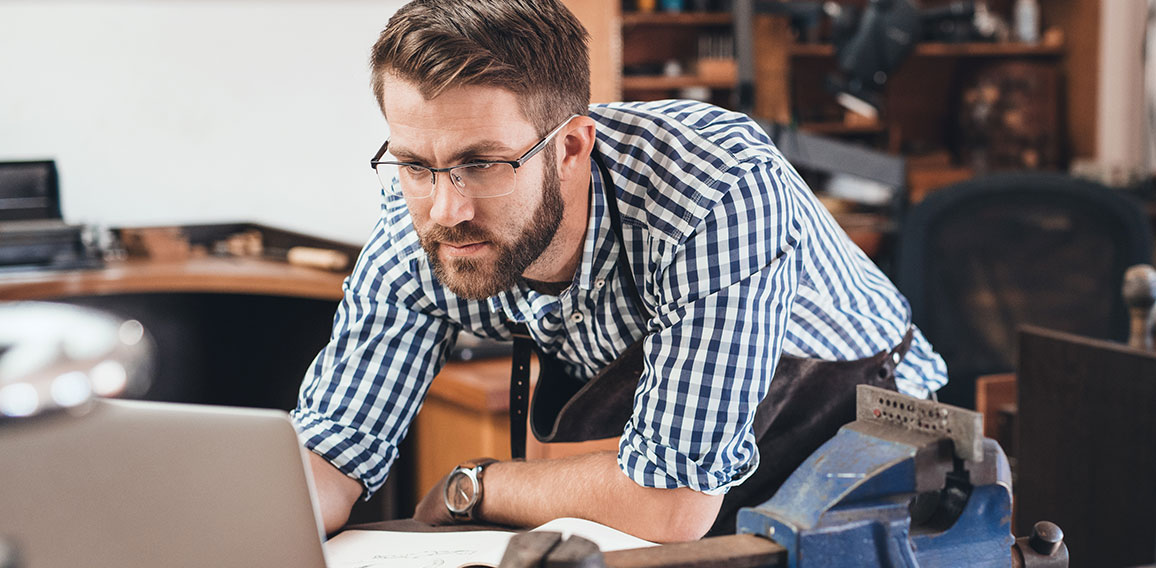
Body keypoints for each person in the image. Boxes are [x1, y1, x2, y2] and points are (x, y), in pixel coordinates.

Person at [291, 0, 947, 543]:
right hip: (689, 459)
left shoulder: (713, 189)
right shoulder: (428, 210)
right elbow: (333, 449)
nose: (446, 207)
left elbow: (670, 507)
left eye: (483, 163)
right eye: (414, 165)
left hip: (874, 423)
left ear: (571, 147)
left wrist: (477, 485)